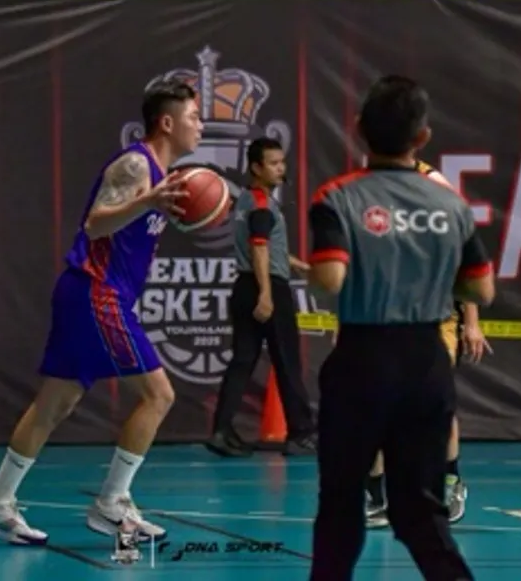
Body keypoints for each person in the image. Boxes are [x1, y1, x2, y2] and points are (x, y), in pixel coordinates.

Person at [0, 80, 202, 545]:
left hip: (89, 293)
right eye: (194, 117)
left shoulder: (165, 177)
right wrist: (147, 201)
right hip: (97, 292)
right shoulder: (136, 164)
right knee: (159, 395)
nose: (201, 125)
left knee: (55, 404)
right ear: (167, 122)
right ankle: (111, 503)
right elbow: (95, 225)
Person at [307, 75, 494, 580]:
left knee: (340, 504)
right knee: (421, 512)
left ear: (358, 128)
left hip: (363, 359)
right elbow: (481, 290)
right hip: (426, 361)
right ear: (422, 137)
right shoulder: (451, 204)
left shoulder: (337, 196)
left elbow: (329, 280)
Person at [365, 160, 492, 528]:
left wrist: (471, 322)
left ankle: (450, 483)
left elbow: (465, 263)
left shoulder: (435, 194)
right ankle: (376, 497)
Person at [206, 137, 317, 458]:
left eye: (282, 162)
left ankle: (221, 430)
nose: (281, 168)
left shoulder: (245, 200)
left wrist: (296, 264)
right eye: (273, 163)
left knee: (243, 360)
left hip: (244, 285)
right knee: (287, 361)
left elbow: (264, 247)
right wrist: (266, 293)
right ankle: (301, 433)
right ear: (256, 167)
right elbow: (258, 249)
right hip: (266, 287)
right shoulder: (262, 205)